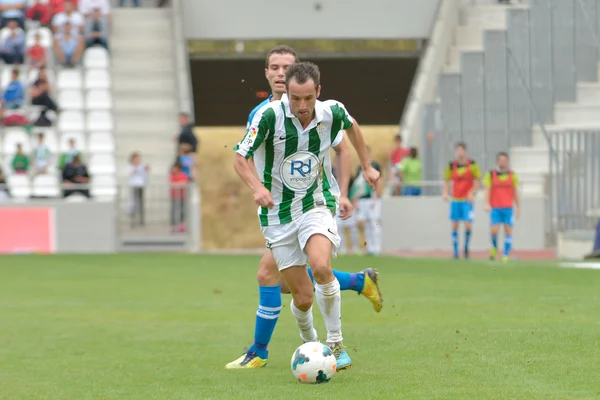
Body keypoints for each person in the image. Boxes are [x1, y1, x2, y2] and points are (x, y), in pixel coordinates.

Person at [225, 47, 383, 371]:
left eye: (307, 98)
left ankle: (333, 345)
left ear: (317, 92)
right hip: (278, 214)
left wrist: (364, 169)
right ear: (267, 74)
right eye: (275, 67)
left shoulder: (329, 112)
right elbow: (241, 157)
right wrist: (258, 189)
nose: (301, 106)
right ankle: (314, 341)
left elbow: (349, 130)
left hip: (315, 202)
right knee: (302, 296)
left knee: (319, 266)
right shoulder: (265, 115)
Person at [443, 142, 481, 259]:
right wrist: (445, 193)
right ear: (455, 152)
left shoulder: (472, 165)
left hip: (467, 200)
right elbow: (447, 180)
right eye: (458, 150)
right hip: (455, 199)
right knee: (454, 226)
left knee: (468, 225)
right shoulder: (451, 166)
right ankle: (455, 251)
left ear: (465, 151)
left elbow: (478, 180)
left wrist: (472, 192)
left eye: (461, 150)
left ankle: (466, 247)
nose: (460, 152)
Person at [484, 152, 520, 262]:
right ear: (497, 161)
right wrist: (486, 203)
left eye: (505, 160)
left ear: (507, 161)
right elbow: (487, 189)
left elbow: (515, 192)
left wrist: (518, 207)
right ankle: (494, 248)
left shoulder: (512, 175)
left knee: (508, 230)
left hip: (508, 208)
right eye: (501, 160)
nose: (503, 162)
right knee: (494, 230)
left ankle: (505, 254)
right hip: (495, 207)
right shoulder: (491, 174)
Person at [352, 146, 384, 255]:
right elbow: (357, 186)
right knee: (365, 224)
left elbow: (379, 181)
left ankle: (377, 247)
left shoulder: (374, 166)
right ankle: (370, 248)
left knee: (374, 222)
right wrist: (355, 200)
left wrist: (376, 196)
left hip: (372, 197)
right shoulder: (358, 168)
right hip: (362, 199)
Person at [128, 152, 149, 228]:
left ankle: (141, 220)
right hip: (134, 185)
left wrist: (146, 169)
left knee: (141, 203)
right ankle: (133, 220)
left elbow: (145, 173)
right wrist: (135, 167)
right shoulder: (130, 166)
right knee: (134, 203)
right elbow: (130, 174)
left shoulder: (141, 166)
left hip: (141, 185)